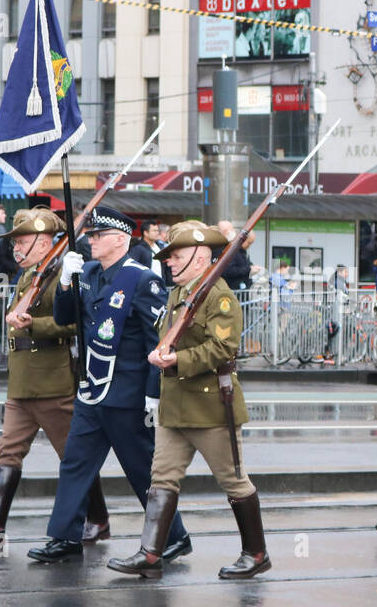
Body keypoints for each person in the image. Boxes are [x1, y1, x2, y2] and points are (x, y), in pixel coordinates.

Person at [29, 207, 192, 564]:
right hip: (92, 388)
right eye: (90, 235)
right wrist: (67, 283)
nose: (90, 240)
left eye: (98, 235)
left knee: (140, 469)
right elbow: (63, 318)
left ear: (120, 240)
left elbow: (157, 341)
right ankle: (65, 537)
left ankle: (174, 536)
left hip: (128, 393)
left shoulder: (142, 280)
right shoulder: (87, 272)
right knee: (75, 462)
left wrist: (153, 392)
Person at [109, 220, 267, 580]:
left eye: (174, 255)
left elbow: (223, 348)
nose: (167, 262)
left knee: (234, 481)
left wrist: (178, 359)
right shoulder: (178, 293)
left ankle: (256, 553)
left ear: (199, 257)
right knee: (161, 478)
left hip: (211, 407)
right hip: (175, 404)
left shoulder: (219, 295)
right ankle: (150, 553)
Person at [0, 207, 106, 547]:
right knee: (8, 453)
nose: (15, 249)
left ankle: (98, 519)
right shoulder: (28, 276)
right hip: (22, 383)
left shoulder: (64, 276)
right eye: (15, 243)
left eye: (21, 242)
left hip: (53, 383)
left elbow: (76, 324)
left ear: (44, 242)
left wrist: (34, 324)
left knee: (73, 456)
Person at [216, 220, 252, 291]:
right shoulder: (222, 249)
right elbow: (228, 270)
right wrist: (249, 269)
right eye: (232, 229)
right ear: (226, 231)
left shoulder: (234, 248)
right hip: (230, 288)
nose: (234, 232)